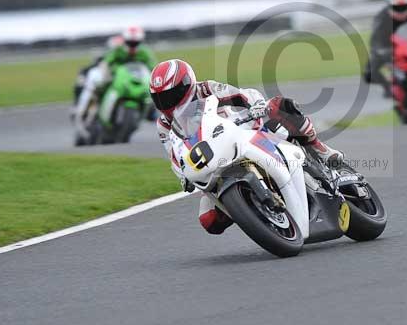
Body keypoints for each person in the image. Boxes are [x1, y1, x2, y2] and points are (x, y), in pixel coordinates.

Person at [149, 58, 342, 235]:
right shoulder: (164, 124)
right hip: (214, 161)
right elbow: (174, 154)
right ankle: (256, 212)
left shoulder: (207, 89)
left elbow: (242, 95)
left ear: (186, 85)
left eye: (172, 94)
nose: (167, 102)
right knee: (210, 221)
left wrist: (257, 105)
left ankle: (319, 149)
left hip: (245, 132)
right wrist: (182, 176)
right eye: (160, 98)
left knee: (279, 106)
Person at [74, 26, 157, 139]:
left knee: (154, 94)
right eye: (130, 42)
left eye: (135, 43)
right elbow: (106, 63)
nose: (133, 45)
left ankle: (151, 113)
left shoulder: (144, 52)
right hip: (116, 79)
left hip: (135, 81)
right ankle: (87, 109)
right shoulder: (118, 50)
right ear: (125, 41)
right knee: (98, 86)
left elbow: (153, 68)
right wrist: (106, 74)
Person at [72, 34, 124, 107]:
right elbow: (92, 68)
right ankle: (79, 104)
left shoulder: (127, 60)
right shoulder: (105, 59)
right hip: (108, 82)